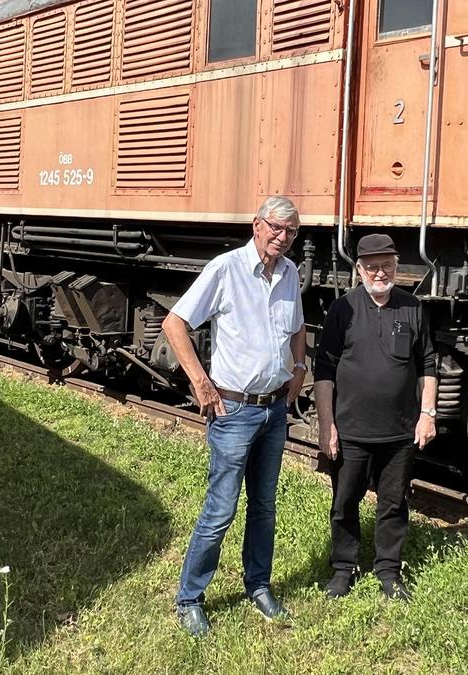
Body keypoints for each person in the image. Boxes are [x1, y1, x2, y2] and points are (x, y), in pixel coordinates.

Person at [163, 196, 308, 637]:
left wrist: (299, 371)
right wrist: (201, 385)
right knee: (220, 510)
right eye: (276, 228)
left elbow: (298, 327)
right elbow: (175, 324)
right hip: (234, 411)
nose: (282, 238)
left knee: (264, 507)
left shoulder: (290, 274)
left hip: (273, 410)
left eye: (292, 232)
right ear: (257, 225)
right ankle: (190, 598)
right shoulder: (225, 268)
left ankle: (258, 586)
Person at [313, 233, 438, 601]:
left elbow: (427, 364)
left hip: (399, 431)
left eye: (386, 266)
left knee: (393, 503)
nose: (379, 273)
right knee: (344, 502)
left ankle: (388, 570)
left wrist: (427, 414)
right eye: (372, 267)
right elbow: (324, 369)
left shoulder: (413, 308)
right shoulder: (342, 310)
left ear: (396, 267)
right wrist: (327, 425)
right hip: (351, 429)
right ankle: (343, 568)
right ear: (359, 270)